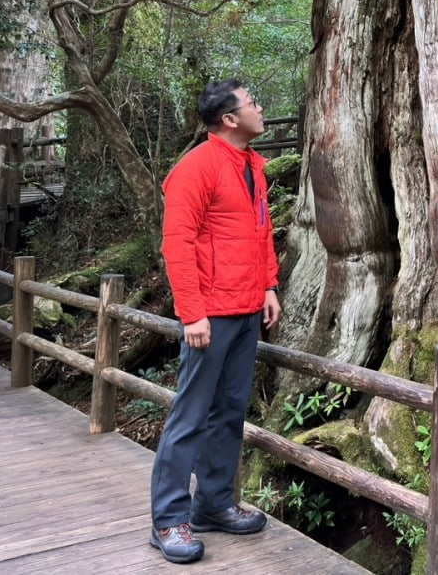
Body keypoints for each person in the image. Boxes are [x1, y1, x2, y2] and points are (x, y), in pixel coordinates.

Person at [149, 80, 282, 564]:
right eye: (253, 104)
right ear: (229, 118)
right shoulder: (195, 169)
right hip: (210, 314)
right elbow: (177, 244)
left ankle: (214, 503)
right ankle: (168, 519)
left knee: (230, 411)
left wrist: (268, 286)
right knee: (191, 415)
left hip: (247, 309)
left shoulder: (252, 166)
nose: (260, 109)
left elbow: (261, 230)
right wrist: (192, 313)